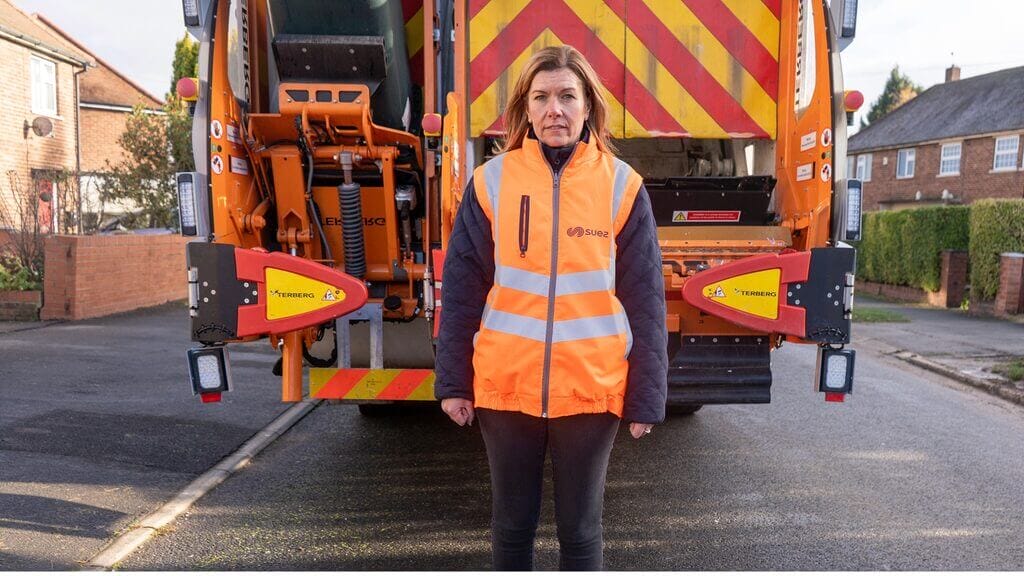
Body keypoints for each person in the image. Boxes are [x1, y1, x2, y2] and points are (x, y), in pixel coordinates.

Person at [435, 44, 667, 571]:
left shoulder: (622, 186)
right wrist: (452, 383)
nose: (554, 110)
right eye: (541, 97)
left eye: (567, 96)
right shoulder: (492, 181)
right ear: (526, 108)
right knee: (511, 529)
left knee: (581, 533)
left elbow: (645, 298)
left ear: (588, 106)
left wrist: (646, 397)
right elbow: (463, 287)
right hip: (506, 389)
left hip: (590, 390)